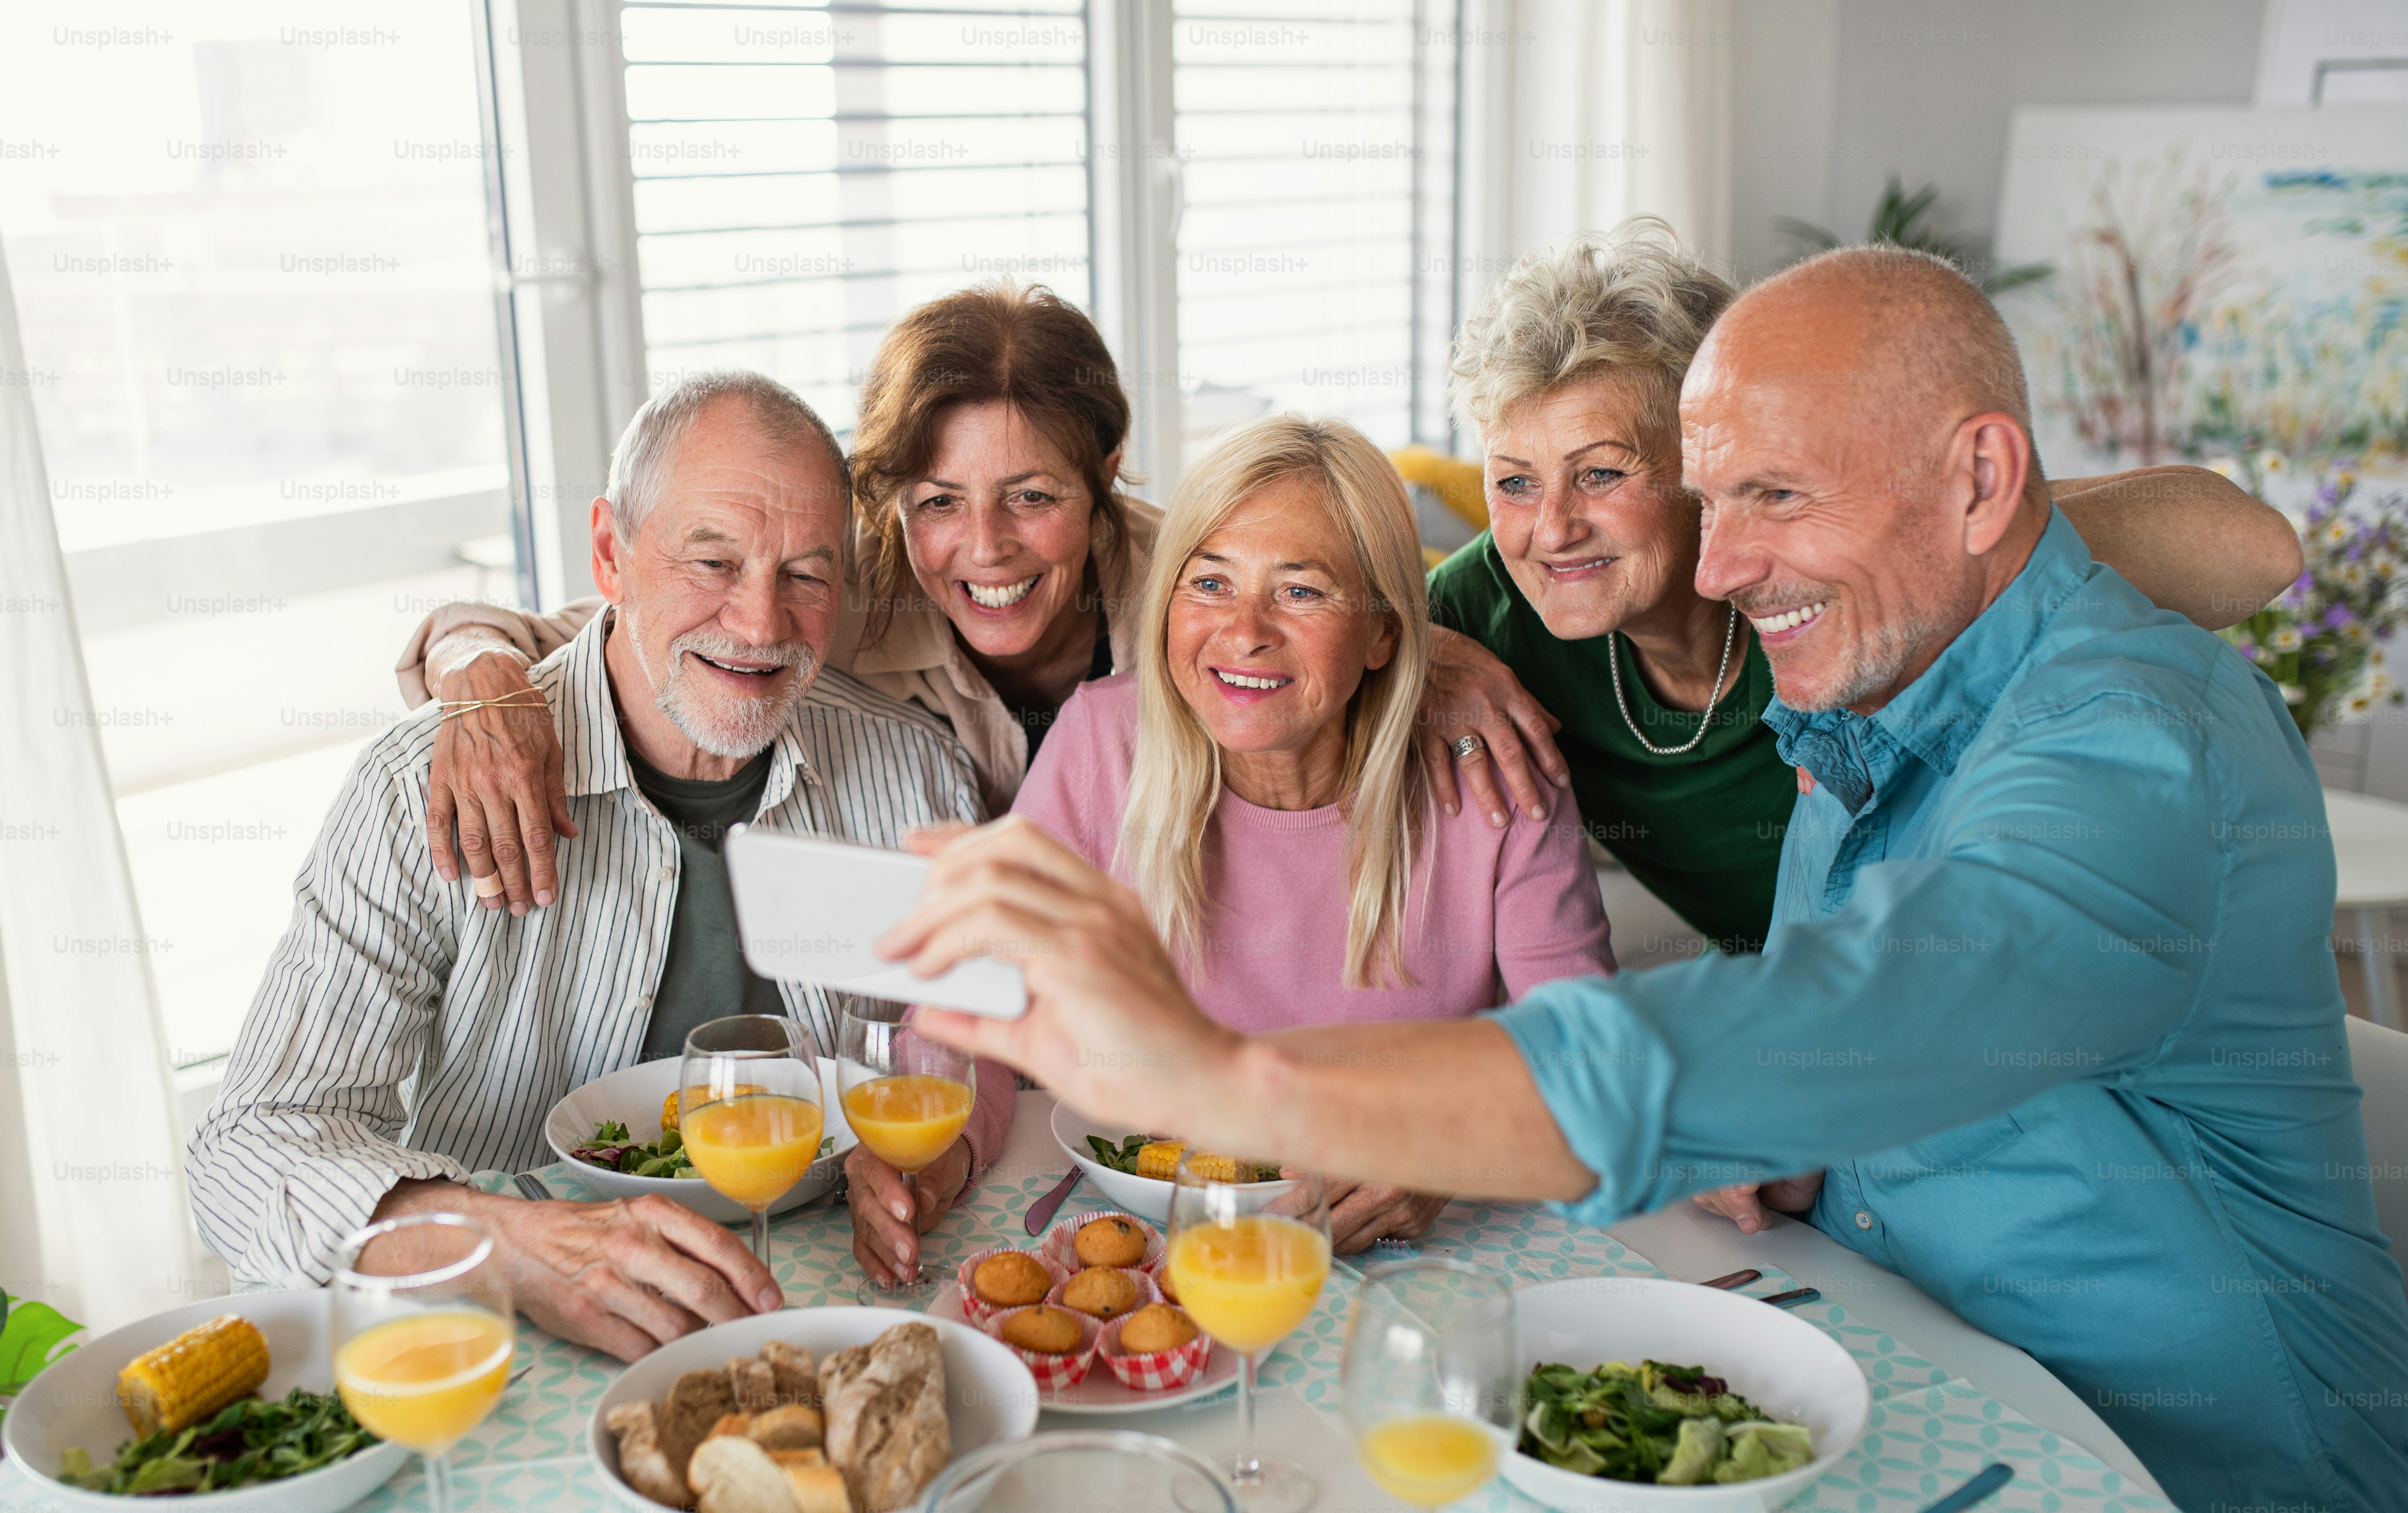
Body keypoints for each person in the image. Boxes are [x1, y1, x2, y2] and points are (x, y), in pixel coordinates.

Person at [873, 248, 2408, 1511]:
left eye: (1775, 499)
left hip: (2188, 1466)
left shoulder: (2125, 743)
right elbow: (1400, 607)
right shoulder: (1863, 697)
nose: (1720, 570)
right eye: (1713, 496)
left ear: (1981, 482)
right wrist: (1794, 1157)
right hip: (1898, 1369)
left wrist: (1232, 1077)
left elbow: (1873, 1010)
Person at [186, 372, 1013, 1359]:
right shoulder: (424, 787)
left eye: (806, 574)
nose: (759, 624)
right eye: (711, 561)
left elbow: (972, 1041)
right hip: (514, 1325)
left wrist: (925, 1164)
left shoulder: (912, 772)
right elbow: (249, 1146)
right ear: (610, 554)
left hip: (826, 1306)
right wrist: (510, 1246)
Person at [1423, 219, 2306, 952]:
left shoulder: (1846, 578)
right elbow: (1327, 638)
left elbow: (2259, 551)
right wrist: (1432, 656)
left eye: (1603, 474)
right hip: (1814, 1021)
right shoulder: (1489, 607)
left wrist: (1928, 523)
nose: (1552, 529)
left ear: (1709, 461)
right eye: (1515, 482)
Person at [1011, 414, 1615, 1251]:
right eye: (1211, 583)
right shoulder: (1099, 743)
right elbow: (975, 980)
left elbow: (1591, 1054)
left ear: (1382, 633)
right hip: (1155, 1234)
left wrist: (1454, 1149)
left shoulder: (1494, 772)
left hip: (1412, 1258)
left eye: (1301, 590)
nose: (1246, 630)